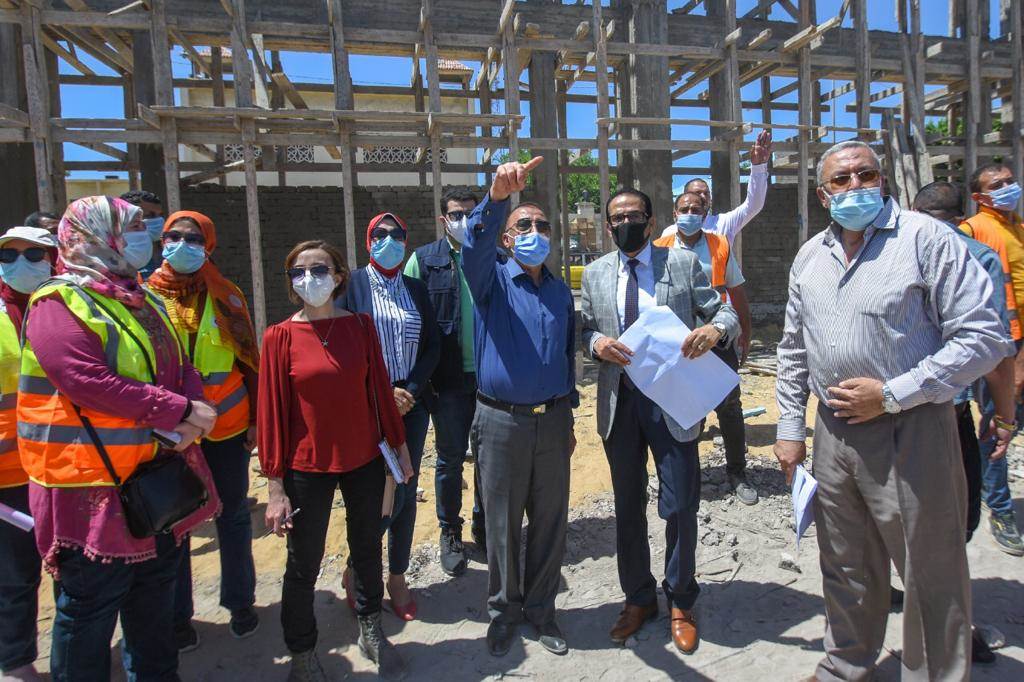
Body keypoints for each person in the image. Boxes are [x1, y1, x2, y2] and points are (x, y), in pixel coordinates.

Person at [774, 141, 1013, 680]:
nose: (855, 186)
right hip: (833, 431)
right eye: (841, 180)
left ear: (883, 180)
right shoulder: (810, 256)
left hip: (912, 427)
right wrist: (790, 428)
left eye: (866, 174)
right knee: (845, 561)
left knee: (929, 568)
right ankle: (846, 664)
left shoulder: (926, 239)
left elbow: (983, 336)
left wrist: (890, 394)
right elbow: (792, 349)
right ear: (823, 194)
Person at [17, 195, 221, 681]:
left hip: (153, 479)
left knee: (154, 603)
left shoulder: (140, 296)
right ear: (95, 236)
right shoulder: (58, 302)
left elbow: (180, 362)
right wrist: (179, 410)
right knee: (89, 610)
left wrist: (193, 408)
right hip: (91, 487)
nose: (142, 235)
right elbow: (84, 379)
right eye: (130, 226)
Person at [582, 188, 738, 655]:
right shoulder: (595, 273)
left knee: (681, 504)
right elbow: (583, 329)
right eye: (617, 218)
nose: (625, 224)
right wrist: (595, 345)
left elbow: (724, 310)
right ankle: (638, 598)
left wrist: (714, 329)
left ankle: (681, 600)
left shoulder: (682, 264)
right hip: (621, 405)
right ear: (608, 226)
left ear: (651, 223)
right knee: (628, 506)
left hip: (672, 402)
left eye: (634, 216)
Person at [258, 240, 414, 680]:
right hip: (306, 467)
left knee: (366, 550)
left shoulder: (360, 327)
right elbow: (271, 414)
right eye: (299, 271)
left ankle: (370, 628)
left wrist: (399, 448)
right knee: (303, 563)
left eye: (319, 269)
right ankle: (303, 652)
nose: (309, 278)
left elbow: (379, 391)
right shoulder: (279, 337)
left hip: (363, 459)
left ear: (339, 275)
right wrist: (275, 487)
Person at [461, 156, 577, 658]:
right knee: (503, 525)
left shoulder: (559, 291)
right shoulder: (490, 281)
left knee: (550, 523)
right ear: (507, 239)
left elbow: (565, 356)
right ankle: (504, 613)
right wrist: (497, 198)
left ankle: (542, 611)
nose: (535, 232)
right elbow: (473, 245)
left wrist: (568, 416)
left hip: (552, 421)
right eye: (524, 226)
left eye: (542, 225)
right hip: (500, 422)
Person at [912, 180, 1017, 665]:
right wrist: (1004, 417)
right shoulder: (978, 256)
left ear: (914, 209)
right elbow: (995, 349)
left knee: (894, 513)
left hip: (882, 412)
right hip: (945, 414)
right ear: (964, 216)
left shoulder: (885, 251)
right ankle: (949, 628)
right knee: (952, 522)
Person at [146, 211, 261, 651]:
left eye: (193, 238)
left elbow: (248, 360)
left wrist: (256, 421)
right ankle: (178, 617)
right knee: (174, 522)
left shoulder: (226, 295)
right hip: (169, 434)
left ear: (209, 245)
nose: (182, 244)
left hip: (226, 428)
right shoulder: (143, 297)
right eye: (173, 236)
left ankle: (241, 603)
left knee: (232, 515)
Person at [340, 212, 439, 621]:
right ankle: (359, 567)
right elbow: (342, 349)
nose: (389, 240)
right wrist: (382, 394)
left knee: (405, 489)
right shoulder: (352, 287)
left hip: (410, 406)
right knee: (374, 493)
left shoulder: (416, 289)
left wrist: (411, 389)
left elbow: (432, 345)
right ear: (368, 242)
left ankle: (397, 576)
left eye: (397, 234)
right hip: (368, 405)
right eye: (379, 234)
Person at [654, 191, 757, 505]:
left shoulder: (719, 244)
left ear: (705, 212)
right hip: (679, 342)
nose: (690, 213)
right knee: (686, 409)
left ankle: (737, 473)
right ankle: (688, 476)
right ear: (674, 214)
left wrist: (744, 332)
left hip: (717, 336)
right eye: (684, 208)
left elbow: (736, 291)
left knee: (729, 406)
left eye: (696, 209)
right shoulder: (660, 247)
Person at [405, 187, 488, 576]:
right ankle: (450, 531)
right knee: (450, 458)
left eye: (471, 213)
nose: (464, 221)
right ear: (444, 220)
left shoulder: (493, 257)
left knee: (489, 458)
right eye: (457, 214)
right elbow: (409, 320)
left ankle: (484, 524)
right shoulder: (423, 261)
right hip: (447, 381)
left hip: (490, 379)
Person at [959, 162, 1024, 556]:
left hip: (1018, 345)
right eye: (996, 185)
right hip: (1002, 348)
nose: (1007, 188)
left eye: (1010, 181)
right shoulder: (973, 231)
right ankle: (999, 506)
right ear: (978, 197)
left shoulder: (1017, 227)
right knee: (997, 425)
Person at [0, 226, 56, 682]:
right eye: (9, 255)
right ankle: (16, 661)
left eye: (34, 254)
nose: (21, 263)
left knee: (73, 569)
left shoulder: (68, 308)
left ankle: (75, 654)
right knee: (16, 574)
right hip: (9, 471)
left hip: (64, 466)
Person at [659, 130, 772, 244]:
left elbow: (754, 205)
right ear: (685, 198)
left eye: (706, 193)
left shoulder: (723, 223)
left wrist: (758, 167)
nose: (703, 197)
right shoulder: (669, 233)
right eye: (697, 193)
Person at [120, 189, 165, 279]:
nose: (158, 220)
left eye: (160, 215)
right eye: (150, 215)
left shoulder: (169, 251)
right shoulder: (119, 255)